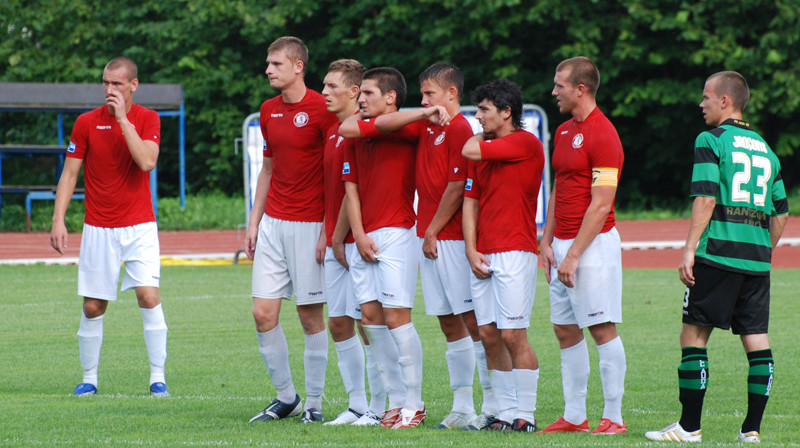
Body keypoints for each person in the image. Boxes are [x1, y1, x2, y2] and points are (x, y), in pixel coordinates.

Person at [645, 71, 789, 443]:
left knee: (692, 335)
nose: (701, 103)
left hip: (718, 255)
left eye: (706, 96)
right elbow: (782, 213)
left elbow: (706, 198)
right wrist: (761, 249)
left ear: (725, 101)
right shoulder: (767, 150)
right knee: (757, 340)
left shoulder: (711, 140)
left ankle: (689, 427)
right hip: (757, 261)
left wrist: (690, 249)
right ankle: (751, 430)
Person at [372, 63, 494, 430]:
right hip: (431, 238)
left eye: (430, 94)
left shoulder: (461, 129)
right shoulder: (427, 125)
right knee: (447, 322)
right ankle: (461, 405)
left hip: (451, 239)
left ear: (452, 94)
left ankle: (490, 404)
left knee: (472, 322)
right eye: (422, 94)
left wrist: (432, 230)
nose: (424, 100)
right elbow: (378, 124)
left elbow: (457, 188)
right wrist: (424, 111)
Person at [50, 56, 169, 397]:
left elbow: (146, 161)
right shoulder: (86, 122)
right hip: (98, 228)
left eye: (117, 84)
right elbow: (70, 173)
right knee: (92, 306)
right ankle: (89, 379)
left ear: (133, 85)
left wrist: (122, 120)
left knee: (148, 296)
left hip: (140, 227)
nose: (109, 89)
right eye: (105, 83)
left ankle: (157, 378)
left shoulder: (148, 118)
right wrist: (59, 219)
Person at [339, 67, 440, 429]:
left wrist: (425, 113)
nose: (360, 99)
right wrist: (359, 234)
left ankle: (415, 401)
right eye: (360, 93)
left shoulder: (410, 127)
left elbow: (397, 126)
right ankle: (395, 401)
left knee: (397, 317)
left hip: (398, 232)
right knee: (370, 318)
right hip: (364, 237)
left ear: (391, 97)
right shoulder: (356, 128)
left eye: (367, 93)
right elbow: (350, 188)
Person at [245, 36, 338, 424]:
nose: (268, 70)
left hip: (310, 223)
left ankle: (315, 404)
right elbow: (267, 168)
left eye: (277, 64)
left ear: (299, 66)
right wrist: (254, 221)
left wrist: (327, 231)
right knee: (262, 313)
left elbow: (336, 174)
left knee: (309, 317)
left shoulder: (323, 109)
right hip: (273, 225)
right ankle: (287, 398)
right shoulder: (268, 110)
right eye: (268, 63)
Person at [539, 56, 627, 436]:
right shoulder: (561, 132)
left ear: (581, 89)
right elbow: (561, 187)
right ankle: (575, 416)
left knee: (601, 328)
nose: (553, 91)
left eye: (559, 85)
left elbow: (602, 202)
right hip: (560, 245)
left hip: (591, 247)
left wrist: (573, 254)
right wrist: (546, 241)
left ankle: (615, 417)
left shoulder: (604, 134)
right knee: (565, 330)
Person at [461, 78, 544, 432]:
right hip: (484, 253)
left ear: (507, 112)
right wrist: (470, 248)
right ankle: (506, 413)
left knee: (513, 335)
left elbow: (468, 148)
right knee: (489, 333)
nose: (478, 116)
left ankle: (526, 414)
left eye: (484, 109)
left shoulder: (525, 142)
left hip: (515, 249)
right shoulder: (488, 150)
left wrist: (482, 135)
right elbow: (471, 203)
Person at [319, 58, 387, 426]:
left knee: (368, 322)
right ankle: (357, 405)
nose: (324, 92)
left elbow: (352, 190)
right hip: (337, 240)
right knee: (340, 322)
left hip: (355, 240)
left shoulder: (359, 129)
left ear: (354, 91)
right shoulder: (333, 130)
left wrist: (341, 236)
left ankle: (381, 405)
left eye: (331, 87)